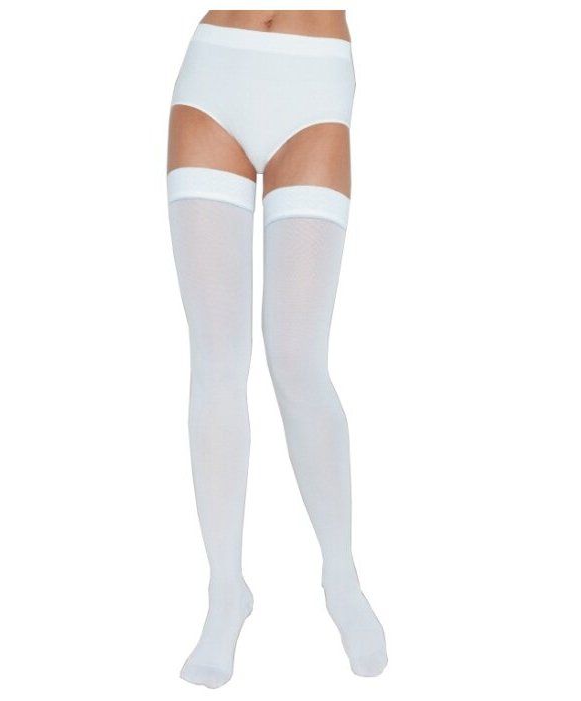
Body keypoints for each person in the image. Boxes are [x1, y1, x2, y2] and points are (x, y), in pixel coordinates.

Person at [167, 10, 387, 688]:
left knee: (297, 358)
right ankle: (224, 590)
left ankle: (340, 575)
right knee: (216, 361)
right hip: (214, 71)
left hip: (313, 80)